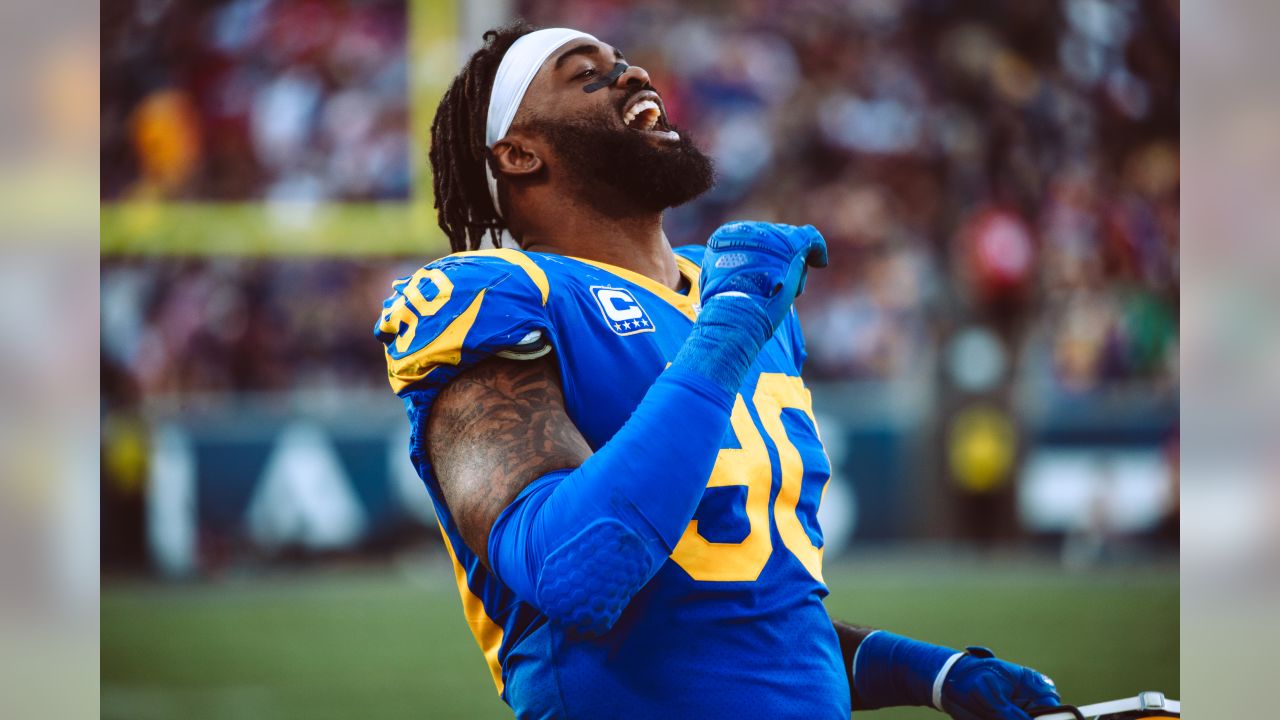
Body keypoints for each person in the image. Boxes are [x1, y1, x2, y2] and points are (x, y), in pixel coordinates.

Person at [375, 22, 1061, 720]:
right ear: (519, 153)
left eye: (623, 61)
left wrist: (930, 673)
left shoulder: (731, 291)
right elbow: (576, 571)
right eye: (585, 75)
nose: (633, 74)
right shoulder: (499, 294)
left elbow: (740, 630)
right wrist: (730, 327)